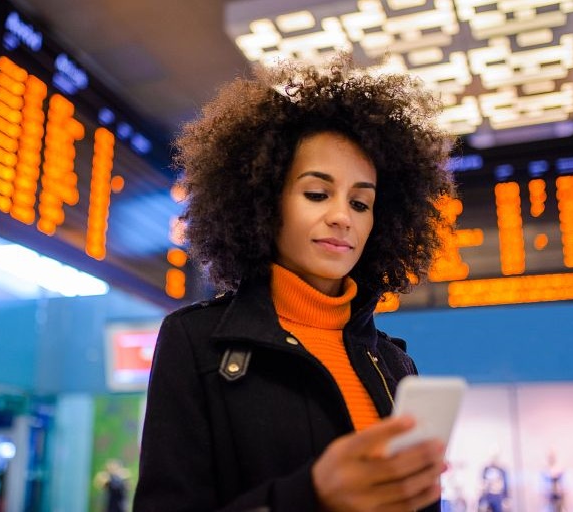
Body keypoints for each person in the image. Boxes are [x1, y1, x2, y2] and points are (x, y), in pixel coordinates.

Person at [134, 55, 456, 512]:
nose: (342, 217)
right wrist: (311, 495)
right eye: (317, 194)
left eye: (361, 203)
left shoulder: (395, 365)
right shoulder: (195, 343)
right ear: (265, 202)